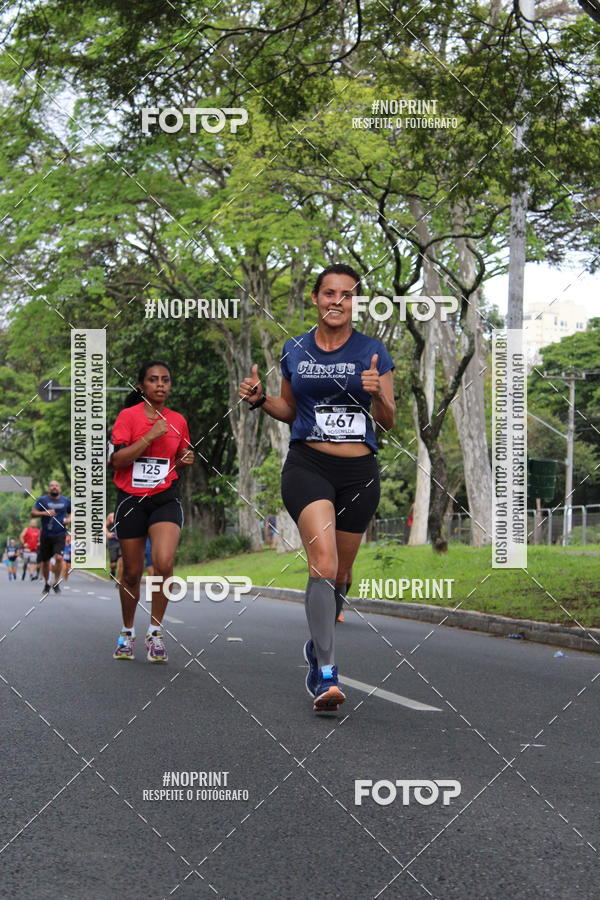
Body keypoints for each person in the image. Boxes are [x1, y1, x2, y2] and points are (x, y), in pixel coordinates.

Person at [240, 264, 395, 712]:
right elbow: (290, 410)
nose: (337, 301)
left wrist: (377, 395)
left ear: (355, 303)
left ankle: (316, 643)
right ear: (315, 298)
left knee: (341, 574)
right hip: (308, 465)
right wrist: (261, 401)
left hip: (359, 472)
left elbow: (389, 421)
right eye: (330, 293)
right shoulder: (295, 349)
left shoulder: (373, 351)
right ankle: (326, 673)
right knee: (323, 564)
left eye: (347, 295)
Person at [109, 361, 194, 662]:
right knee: (132, 572)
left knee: (163, 562)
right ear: (141, 386)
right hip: (131, 500)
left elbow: (180, 455)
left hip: (164, 498)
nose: (160, 385)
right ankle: (127, 632)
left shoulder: (178, 420)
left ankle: (155, 632)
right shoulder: (127, 417)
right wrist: (149, 436)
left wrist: (185, 458)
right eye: (153, 380)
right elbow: (117, 461)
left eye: (165, 380)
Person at [32, 480, 72, 594]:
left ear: (60, 488)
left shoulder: (66, 501)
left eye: (56, 485)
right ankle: (47, 583)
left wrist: (69, 519)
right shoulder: (42, 500)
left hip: (60, 534)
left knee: (59, 558)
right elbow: (33, 513)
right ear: (49, 488)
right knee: (45, 562)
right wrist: (44, 513)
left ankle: (55, 582)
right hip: (46, 535)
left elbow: (72, 512)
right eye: (52, 485)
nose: (54, 487)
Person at [104, 512, 122, 586]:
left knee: (122, 561)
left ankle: (119, 580)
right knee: (113, 564)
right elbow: (104, 527)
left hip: (122, 541)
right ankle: (113, 570)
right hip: (113, 541)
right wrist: (107, 533)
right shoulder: (111, 516)